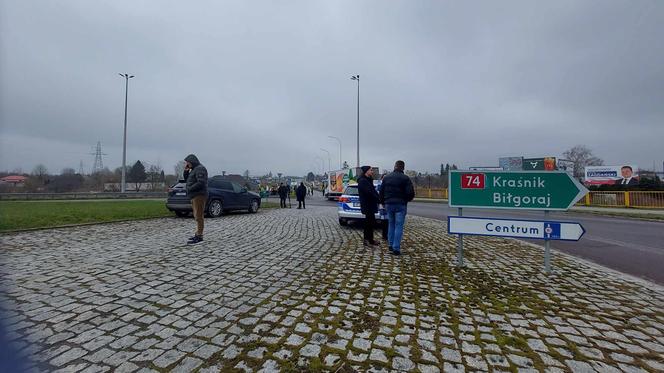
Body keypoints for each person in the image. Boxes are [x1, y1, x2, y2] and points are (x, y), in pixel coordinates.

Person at [379, 160, 415, 256]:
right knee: (399, 225)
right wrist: (406, 200)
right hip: (400, 204)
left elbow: (381, 191)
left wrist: (383, 202)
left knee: (391, 224)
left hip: (389, 204)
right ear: (403, 168)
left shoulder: (386, 178)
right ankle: (396, 248)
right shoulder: (405, 178)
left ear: (394, 166)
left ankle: (390, 245)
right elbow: (410, 193)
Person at [184, 154, 208, 245]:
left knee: (198, 216)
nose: (187, 164)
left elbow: (201, 182)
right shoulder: (194, 169)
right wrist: (186, 171)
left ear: (192, 161)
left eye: (188, 163)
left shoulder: (200, 169)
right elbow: (187, 179)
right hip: (194, 195)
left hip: (199, 195)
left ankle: (199, 236)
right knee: (196, 215)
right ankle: (198, 233)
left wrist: (190, 188)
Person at [358, 165, 380, 247]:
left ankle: (371, 239)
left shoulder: (368, 180)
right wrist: (378, 199)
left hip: (371, 204)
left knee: (371, 222)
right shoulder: (363, 181)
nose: (372, 171)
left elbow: (374, 191)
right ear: (366, 171)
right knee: (368, 223)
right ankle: (366, 240)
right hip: (367, 204)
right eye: (371, 170)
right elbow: (369, 193)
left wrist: (379, 198)